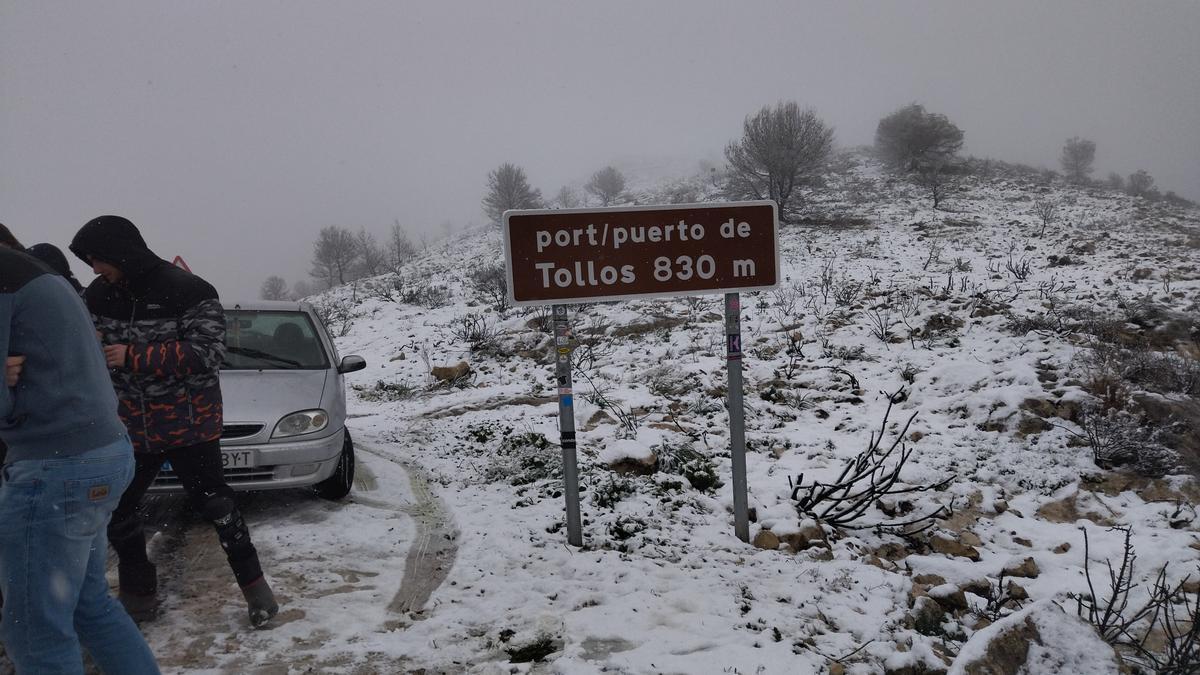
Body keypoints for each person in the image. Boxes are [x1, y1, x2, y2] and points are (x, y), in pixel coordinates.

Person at [69, 215, 279, 628]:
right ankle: (138, 594)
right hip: (130, 430)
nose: (94, 269)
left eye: (98, 259)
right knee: (120, 512)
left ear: (121, 253)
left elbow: (208, 353)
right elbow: (83, 341)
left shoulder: (189, 290)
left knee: (218, 507)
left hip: (189, 427)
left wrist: (134, 356)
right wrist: (87, 344)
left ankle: (257, 590)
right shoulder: (98, 294)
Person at [0, 245, 161, 673]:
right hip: (98, 453)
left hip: (55, 468)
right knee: (88, 606)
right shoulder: (34, 274)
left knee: (36, 632)